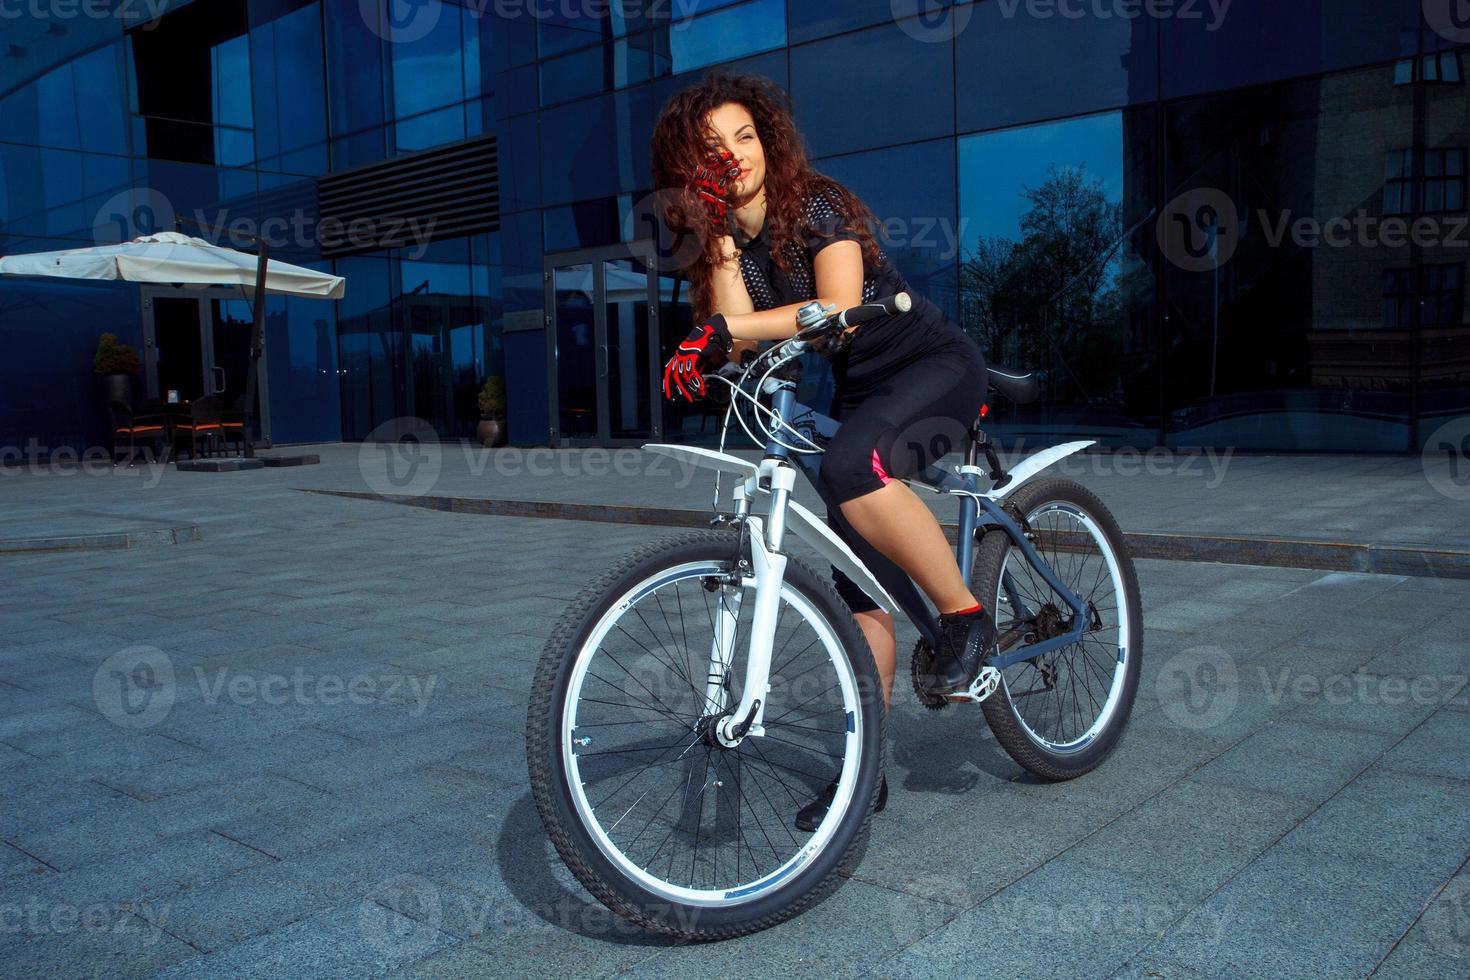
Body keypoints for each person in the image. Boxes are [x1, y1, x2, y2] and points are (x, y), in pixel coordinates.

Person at [651, 71, 997, 830]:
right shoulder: (725, 242)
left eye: (745, 136)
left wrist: (727, 332)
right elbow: (739, 333)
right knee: (857, 580)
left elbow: (837, 307)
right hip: (865, 395)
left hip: (933, 367)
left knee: (849, 470)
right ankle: (864, 770)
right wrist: (712, 270)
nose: (735, 154)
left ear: (769, 142)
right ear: (689, 164)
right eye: (712, 147)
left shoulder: (815, 202)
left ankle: (966, 617)